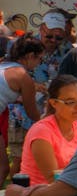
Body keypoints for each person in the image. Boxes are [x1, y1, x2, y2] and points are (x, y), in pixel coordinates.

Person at [1, 36, 45, 179]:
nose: (39, 64)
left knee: (3, 167)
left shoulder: (4, 65)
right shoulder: (23, 76)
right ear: (30, 56)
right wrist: (47, 121)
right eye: (40, 59)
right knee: (3, 168)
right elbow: (32, 113)